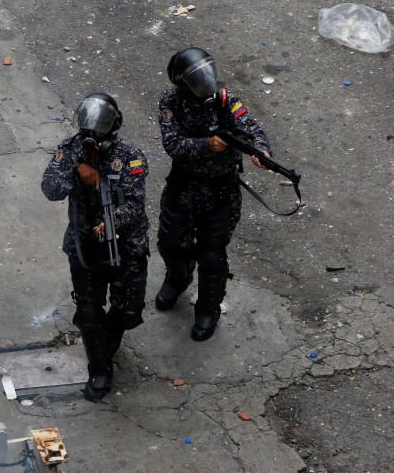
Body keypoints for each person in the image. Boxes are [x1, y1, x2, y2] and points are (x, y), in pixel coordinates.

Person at [154, 48, 270, 342]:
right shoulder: (170, 102)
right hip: (184, 187)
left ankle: (208, 310)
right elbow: (174, 145)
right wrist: (209, 145)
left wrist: (261, 148)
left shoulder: (226, 100)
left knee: (212, 257)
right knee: (170, 244)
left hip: (221, 191)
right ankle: (178, 279)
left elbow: (251, 127)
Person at [41, 93, 149, 401]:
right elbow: (50, 189)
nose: (91, 138)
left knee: (128, 310)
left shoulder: (130, 156)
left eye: (98, 132)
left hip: (126, 245)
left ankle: (107, 342)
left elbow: (135, 205)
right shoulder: (69, 151)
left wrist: (111, 219)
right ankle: (100, 369)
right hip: (84, 245)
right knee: (88, 312)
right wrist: (76, 168)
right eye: (87, 131)